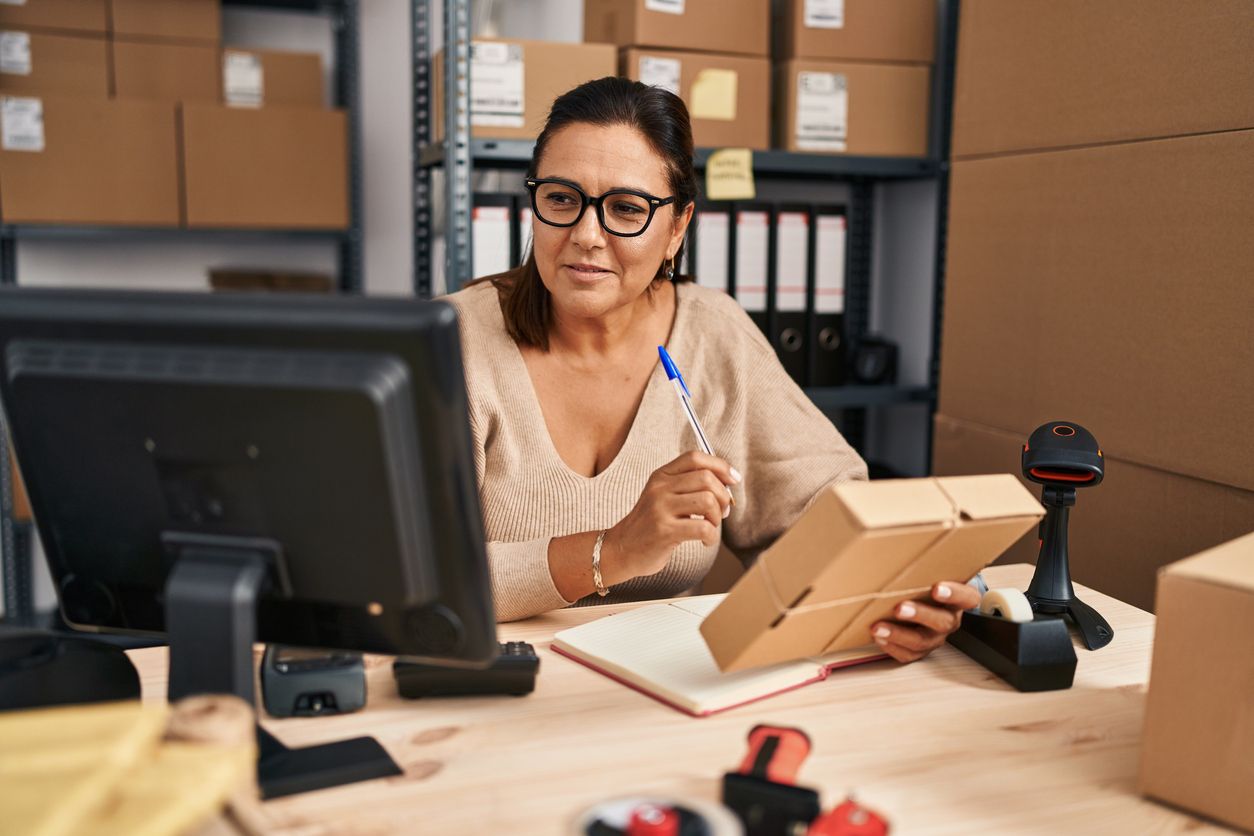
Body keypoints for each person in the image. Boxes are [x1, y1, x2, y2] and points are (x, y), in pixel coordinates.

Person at [447, 77, 978, 662]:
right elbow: (408, 578)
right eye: (561, 198)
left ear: (677, 228)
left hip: (663, 686)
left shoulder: (712, 332)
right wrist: (613, 550)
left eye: (626, 208)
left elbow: (825, 517)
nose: (586, 235)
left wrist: (889, 596)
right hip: (478, 676)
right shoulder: (450, 342)